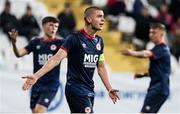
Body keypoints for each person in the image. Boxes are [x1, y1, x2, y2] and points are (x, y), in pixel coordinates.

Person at [22, 6, 120, 113]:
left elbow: (101, 67)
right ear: (89, 19)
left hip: (89, 90)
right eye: (99, 16)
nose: (103, 19)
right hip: (75, 89)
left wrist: (109, 88)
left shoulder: (99, 42)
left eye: (103, 17)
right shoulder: (74, 38)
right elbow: (56, 59)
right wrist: (36, 76)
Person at [9, 16, 64, 113]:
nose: (54, 28)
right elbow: (19, 54)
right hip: (36, 83)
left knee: (39, 111)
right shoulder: (35, 42)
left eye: (56, 26)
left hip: (51, 84)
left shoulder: (61, 43)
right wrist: (13, 43)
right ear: (43, 26)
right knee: (34, 111)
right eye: (51, 25)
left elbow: (73, 54)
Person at [121, 23, 171, 113]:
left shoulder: (162, 49)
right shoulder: (160, 49)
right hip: (159, 88)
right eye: (150, 32)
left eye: (154, 32)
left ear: (162, 34)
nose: (151, 35)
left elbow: (147, 54)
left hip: (158, 89)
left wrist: (132, 53)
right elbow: (161, 71)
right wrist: (143, 75)